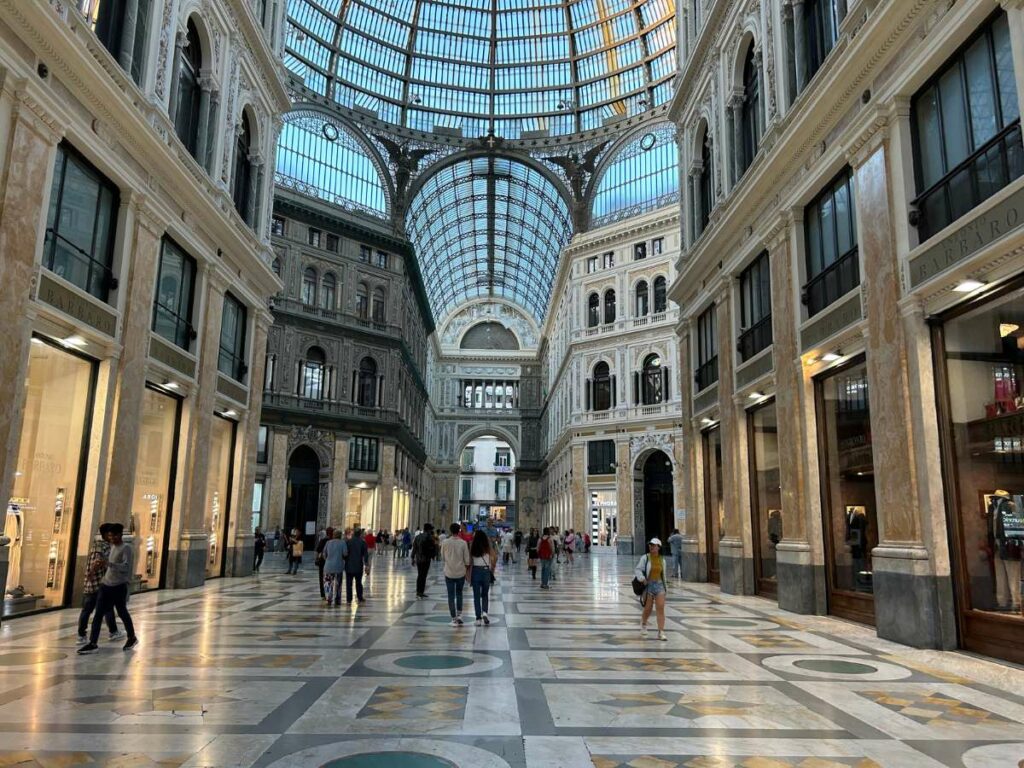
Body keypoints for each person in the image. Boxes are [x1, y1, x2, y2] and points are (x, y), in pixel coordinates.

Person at [78, 523, 137, 653]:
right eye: (110, 536)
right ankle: (93, 643)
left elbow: (126, 568)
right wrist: (96, 568)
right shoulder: (111, 547)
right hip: (106, 585)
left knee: (122, 612)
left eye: (114, 535)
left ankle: (132, 637)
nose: (112, 538)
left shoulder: (126, 548)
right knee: (98, 614)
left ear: (120, 534)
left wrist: (109, 563)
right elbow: (108, 564)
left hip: (119, 586)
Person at [77, 523, 121, 645]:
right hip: (98, 583)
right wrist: (91, 573)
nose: (112, 536)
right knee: (105, 608)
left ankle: (82, 635)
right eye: (111, 534)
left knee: (89, 610)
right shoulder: (103, 546)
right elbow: (97, 562)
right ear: (106, 534)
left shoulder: (98, 545)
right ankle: (112, 632)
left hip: (93, 583)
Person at [635, 537, 668, 641]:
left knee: (660, 607)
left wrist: (665, 588)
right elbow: (638, 569)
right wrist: (642, 579)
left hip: (659, 585)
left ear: (659, 547)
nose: (652, 547)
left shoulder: (662, 560)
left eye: (654, 545)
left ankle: (661, 632)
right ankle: (644, 624)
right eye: (650, 545)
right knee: (648, 608)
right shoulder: (645, 558)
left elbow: (664, 575)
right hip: (648, 585)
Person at [441, 522, 471, 626]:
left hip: (449, 572)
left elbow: (442, 557)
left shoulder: (445, 542)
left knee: (450, 595)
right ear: (459, 531)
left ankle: (453, 618)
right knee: (459, 594)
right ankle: (459, 615)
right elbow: (467, 560)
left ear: (450, 530)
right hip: (460, 572)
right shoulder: (463, 543)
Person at [469, 529, 497, 625]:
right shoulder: (488, 547)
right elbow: (495, 558)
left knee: (476, 596)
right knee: (485, 594)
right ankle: (484, 613)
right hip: (486, 571)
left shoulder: (473, 546)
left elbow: (470, 561)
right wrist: (492, 567)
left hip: (476, 571)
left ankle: (478, 618)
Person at [343, 529, 369, 603]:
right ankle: (360, 597)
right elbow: (365, 555)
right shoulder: (362, 542)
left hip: (349, 566)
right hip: (358, 566)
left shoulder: (348, 542)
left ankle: (349, 599)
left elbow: (345, 553)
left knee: (349, 583)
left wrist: (345, 559)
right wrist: (366, 564)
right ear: (360, 534)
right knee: (358, 582)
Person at [413, 523, 438, 598]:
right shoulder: (430, 537)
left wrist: (412, 558)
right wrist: (433, 556)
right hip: (426, 559)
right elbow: (433, 547)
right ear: (429, 529)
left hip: (418, 559)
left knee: (420, 575)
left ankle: (418, 591)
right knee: (423, 575)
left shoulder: (417, 537)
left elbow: (414, 548)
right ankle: (421, 592)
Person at [323, 530, 345, 606]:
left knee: (328, 583)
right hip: (338, 566)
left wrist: (328, 559)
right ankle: (337, 600)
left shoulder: (328, 543)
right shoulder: (342, 542)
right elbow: (345, 553)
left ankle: (329, 598)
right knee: (338, 584)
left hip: (328, 566)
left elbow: (324, 553)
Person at [315, 527, 334, 600]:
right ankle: (330, 592)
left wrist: (316, 559)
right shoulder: (333, 541)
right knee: (331, 578)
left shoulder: (323, 541)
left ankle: (323, 594)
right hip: (331, 561)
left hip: (322, 561)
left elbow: (317, 551)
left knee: (321, 577)